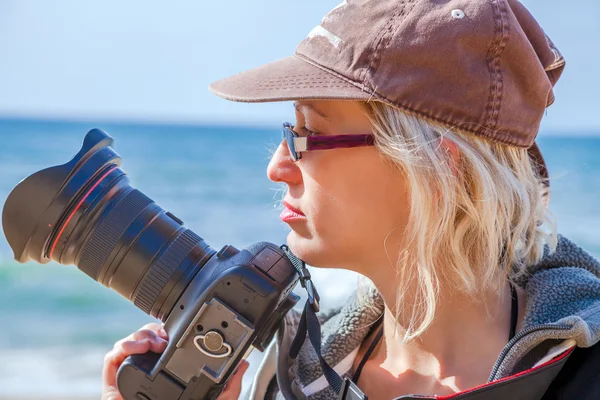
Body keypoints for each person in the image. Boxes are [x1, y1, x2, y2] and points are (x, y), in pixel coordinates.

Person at [102, 0, 600, 399]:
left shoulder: (584, 374)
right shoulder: (289, 375)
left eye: (309, 133)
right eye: (288, 129)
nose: (276, 167)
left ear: (442, 169)